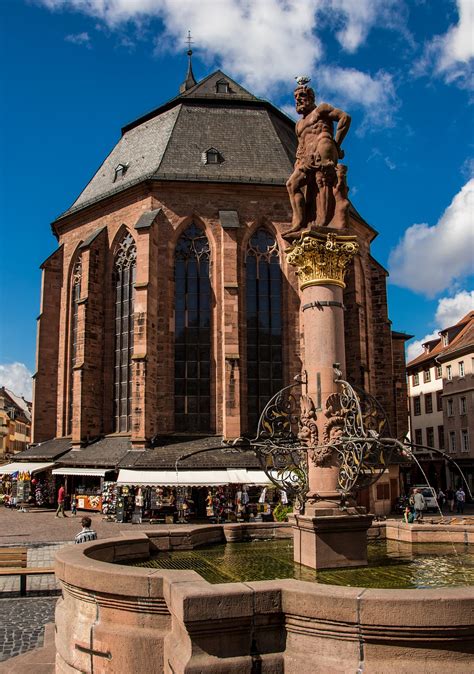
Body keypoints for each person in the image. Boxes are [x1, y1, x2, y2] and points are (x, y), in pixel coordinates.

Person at [285, 81, 351, 234]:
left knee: (322, 181)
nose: (298, 99)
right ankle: (299, 221)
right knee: (291, 184)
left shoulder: (321, 110)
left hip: (323, 144)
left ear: (310, 97)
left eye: (301, 95)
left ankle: (324, 221)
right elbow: (300, 148)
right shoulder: (298, 125)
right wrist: (299, 163)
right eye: (295, 97)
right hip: (307, 156)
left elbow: (345, 118)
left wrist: (336, 144)